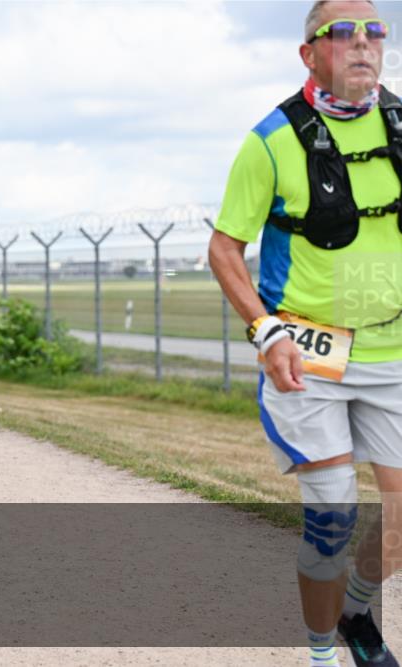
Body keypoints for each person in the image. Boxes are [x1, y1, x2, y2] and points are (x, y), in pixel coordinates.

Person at [209, 3, 401, 666]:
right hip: (307, 355)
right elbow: (226, 248)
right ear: (308, 54)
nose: (361, 44)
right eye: (341, 33)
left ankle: (355, 611)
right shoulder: (271, 140)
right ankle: (322, 654)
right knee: (332, 518)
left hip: (393, 352)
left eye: (374, 31)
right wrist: (265, 331)